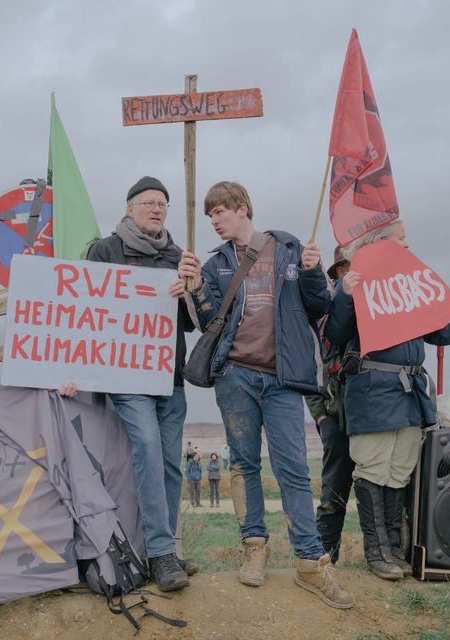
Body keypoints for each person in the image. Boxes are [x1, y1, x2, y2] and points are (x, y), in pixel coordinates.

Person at [178, 180, 354, 609]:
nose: (214, 221)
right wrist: (196, 287)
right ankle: (254, 548)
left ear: (241, 208)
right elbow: (209, 322)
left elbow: (319, 306)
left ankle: (310, 562)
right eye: (209, 215)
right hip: (235, 376)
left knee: (292, 467)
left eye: (219, 212)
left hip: (282, 378)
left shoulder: (289, 249)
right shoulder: (217, 263)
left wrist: (313, 271)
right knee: (243, 463)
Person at [327, 219, 450, 581]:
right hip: (373, 391)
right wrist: (345, 294)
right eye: (402, 239)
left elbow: (439, 331)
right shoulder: (359, 283)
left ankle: (394, 549)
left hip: (409, 394)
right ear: (381, 243)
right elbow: (336, 331)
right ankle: (377, 551)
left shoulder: (407, 287)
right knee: (373, 470)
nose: (408, 246)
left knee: (398, 473)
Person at [87, 177, 197, 592]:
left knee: (169, 463)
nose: (157, 209)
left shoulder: (178, 256)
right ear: (130, 208)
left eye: (163, 204)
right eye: (149, 202)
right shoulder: (106, 250)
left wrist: (189, 292)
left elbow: (191, 323)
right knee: (148, 449)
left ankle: (163, 551)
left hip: (171, 374)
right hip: (128, 376)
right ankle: (162, 554)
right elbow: (85, 310)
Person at [303, 246, 353, 564]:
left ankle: (385, 552)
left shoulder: (374, 309)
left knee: (380, 486)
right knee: (333, 488)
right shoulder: (320, 315)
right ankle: (326, 555)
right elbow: (310, 370)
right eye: (343, 269)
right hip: (334, 414)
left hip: (371, 409)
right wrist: (320, 416)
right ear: (336, 274)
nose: (348, 274)